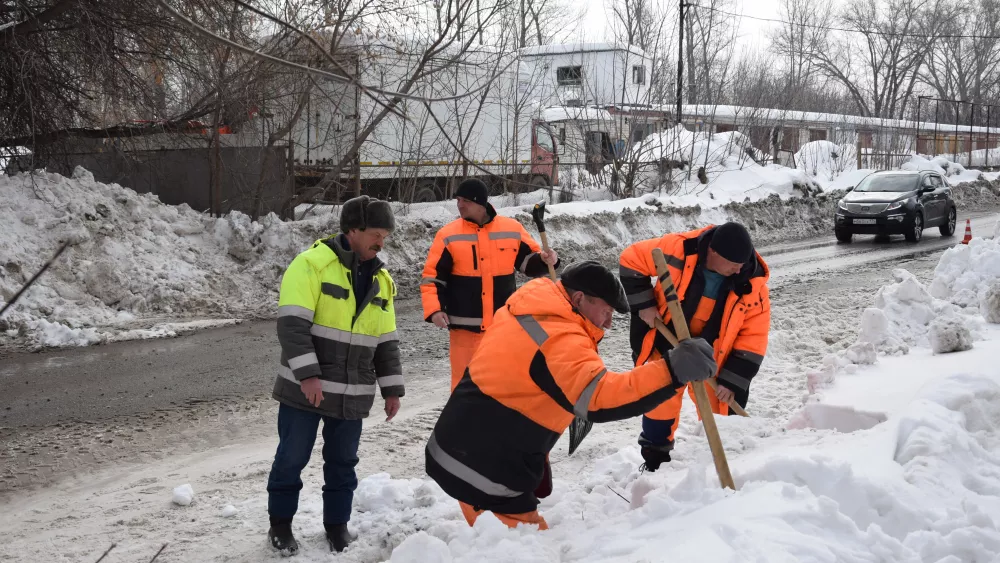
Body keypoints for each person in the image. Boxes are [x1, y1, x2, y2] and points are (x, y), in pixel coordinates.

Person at [424, 261, 718, 529]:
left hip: (460, 445)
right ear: (578, 299)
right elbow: (600, 396)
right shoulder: (558, 334)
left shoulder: (531, 308)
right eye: (606, 311)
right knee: (523, 548)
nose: (608, 323)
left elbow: (519, 389)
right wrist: (671, 370)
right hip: (482, 469)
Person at [266, 195, 405, 556]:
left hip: (352, 394)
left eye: (385, 236)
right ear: (353, 231)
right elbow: (292, 326)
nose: (381, 243)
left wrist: (392, 390)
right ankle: (280, 525)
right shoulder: (311, 265)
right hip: (305, 391)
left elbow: (386, 341)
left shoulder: (382, 281)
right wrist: (308, 376)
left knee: (343, 464)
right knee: (291, 459)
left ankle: (337, 526)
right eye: (375, 235)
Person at [618, 222, 771, 472]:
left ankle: (729, 465)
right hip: (667, 340)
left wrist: (732, 381)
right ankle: (655, 462)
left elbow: (754, 337)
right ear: (712, 252)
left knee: (722, 408)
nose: (739, 269)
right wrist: (644, 304)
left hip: (716, 352)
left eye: (742, 263)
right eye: (733, 264)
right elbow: (631, 259)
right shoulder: (679, 249)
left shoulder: (752, 284)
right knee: (660, 401)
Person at [420, 178, 560, 391]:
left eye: (466, 201)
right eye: (458, 200)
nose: (460, 205)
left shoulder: (511, 229)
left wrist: (545, 260)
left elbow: (529, 263)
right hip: (464, 333)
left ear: (480, 203)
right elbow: (432, 278)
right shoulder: (448, 235)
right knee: (465, 390)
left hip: (503, 328)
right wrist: (435, 310)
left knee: (503, 387)